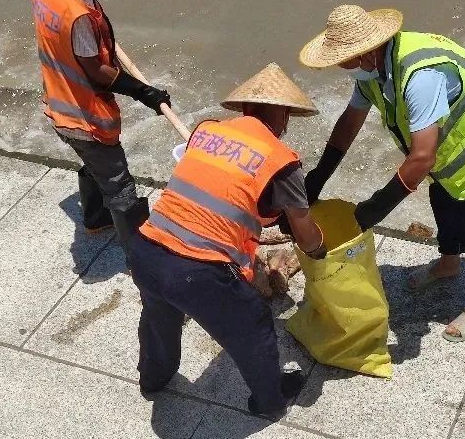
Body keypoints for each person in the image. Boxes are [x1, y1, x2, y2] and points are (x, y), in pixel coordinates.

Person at [299, 5, 465, 343]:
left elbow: (421, 159)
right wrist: (320, 174)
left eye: (344, 59)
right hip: (448, 143)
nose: (340, 66)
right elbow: (350, 121)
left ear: (367, 52)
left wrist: (372, 210)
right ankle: (449, 264)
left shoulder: (420, 77)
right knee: (445, 202)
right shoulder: (372, 71)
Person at [129, 63, 326, 418]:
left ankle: (153, 379)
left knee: (160, 317)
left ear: (246, 109)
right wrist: (318, 250)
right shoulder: (282, 161)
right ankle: (270, 401)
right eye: (287, 115)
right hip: (198, 272)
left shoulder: (206, 131)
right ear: (282, 114)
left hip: (146, 250)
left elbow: (221, 190)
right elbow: (305, 230)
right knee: (256, 328)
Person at [15, 0, 170, 251]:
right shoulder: (77, 14)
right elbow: (97, 72)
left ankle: (95, 219)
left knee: (92, 163)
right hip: (83, 115)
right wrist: (145, 92)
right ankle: (141, 257)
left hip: (57, 100)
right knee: (120, 184)